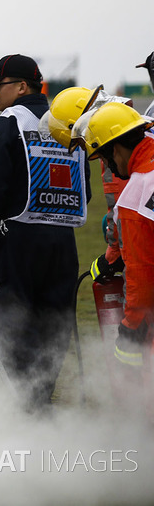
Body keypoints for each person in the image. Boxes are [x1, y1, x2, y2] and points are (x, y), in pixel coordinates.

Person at [0, 54, 88, 412]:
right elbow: (86, 190)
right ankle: (40, 399)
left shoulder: (7, 123)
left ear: (21, 87)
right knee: (53, 326)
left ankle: (25, 408)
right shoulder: (69, 122)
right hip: (64, 245)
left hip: (18, 241)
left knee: (4, 322)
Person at [82, 102, 154, 376]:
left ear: (114, 150)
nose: (109, 166)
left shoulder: (137, 192)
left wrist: (130, 326)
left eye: (105, 158)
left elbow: (142, 272)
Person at [41, 86, 127, 283]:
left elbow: (120, 209)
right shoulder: (131, 122)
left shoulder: (116, 148)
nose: (83, 147)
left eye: (79, 142)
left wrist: (110, 258)